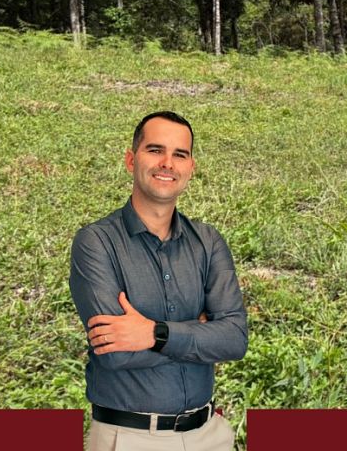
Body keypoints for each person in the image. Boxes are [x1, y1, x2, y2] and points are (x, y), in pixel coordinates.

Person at [69, 111, 247, 451]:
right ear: (131, 159)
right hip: (130, 437)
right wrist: (199, 334)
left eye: (179, 154)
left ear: (190, 167)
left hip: (209, 434)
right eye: (155, 150)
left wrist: (154, 333)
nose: (167, 163)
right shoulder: (96, 243)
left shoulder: (208, 241)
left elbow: (234, 339)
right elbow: (115, 353)